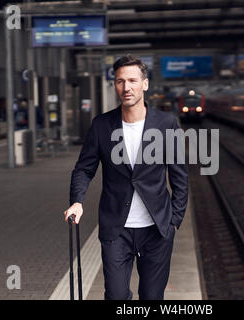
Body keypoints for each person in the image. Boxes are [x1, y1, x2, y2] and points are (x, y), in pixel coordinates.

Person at [64, 54, 188, 300]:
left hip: (157, 229)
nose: (126, 87)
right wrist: (77, 201)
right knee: (116, 296)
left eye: (132, 80)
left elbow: (179, 175)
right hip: (116, 229)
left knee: (152, 298)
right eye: (120, 81)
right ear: (115, 85)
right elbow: (84, 168)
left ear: (145, 83)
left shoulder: (166, 124)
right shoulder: (102, 125)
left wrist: (174, 220)